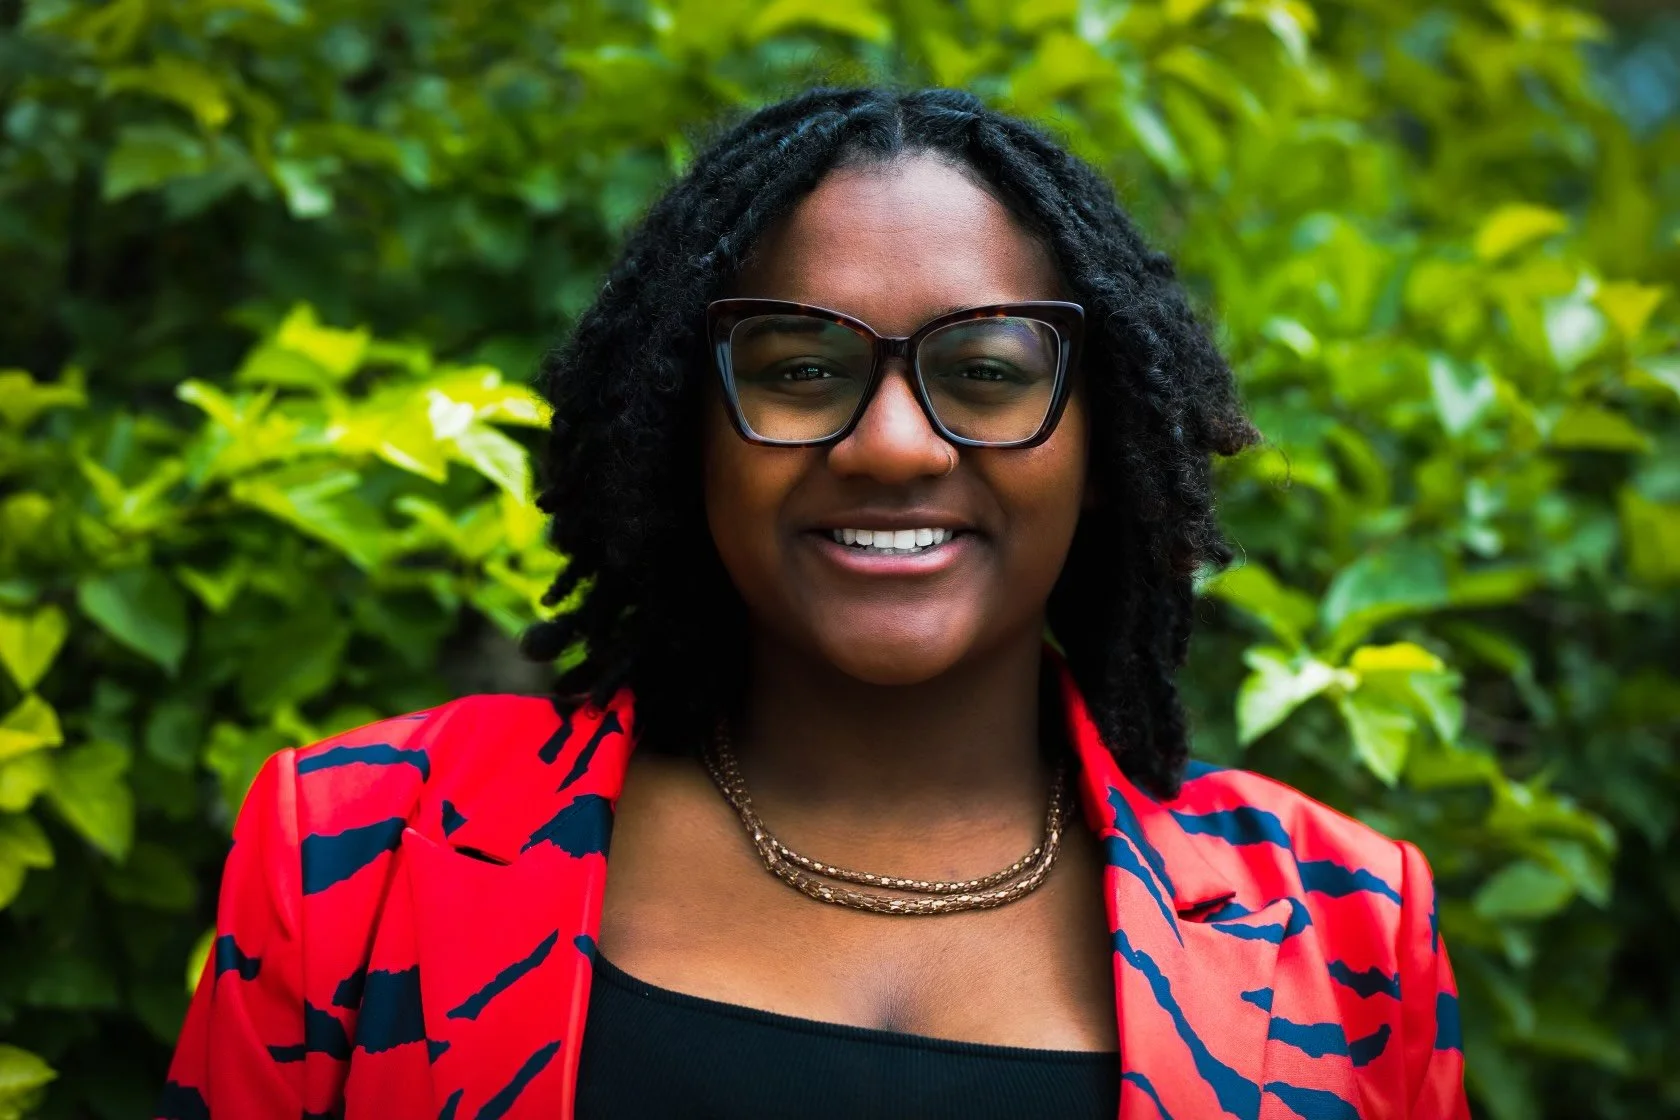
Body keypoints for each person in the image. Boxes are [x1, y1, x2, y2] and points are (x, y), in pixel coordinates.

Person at [157, 87, 1468, 1120]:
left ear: (1101, 434)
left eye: (986, 370)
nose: (894, 445)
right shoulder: (361, 851)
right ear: (686, 424)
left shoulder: (1341, 928)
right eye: (800, 368)